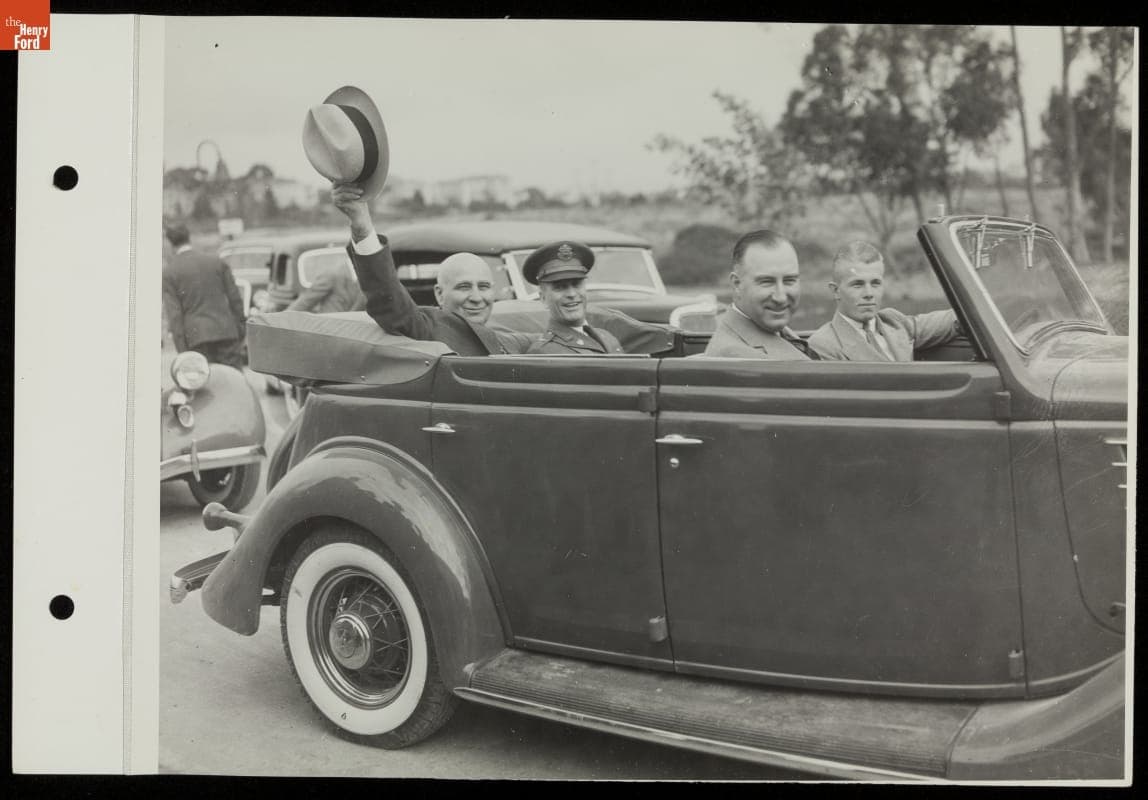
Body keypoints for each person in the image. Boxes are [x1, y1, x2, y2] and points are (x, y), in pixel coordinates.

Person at [332, 184, 535, 355]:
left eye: (483, 287)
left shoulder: (509, 338)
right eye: (463, 287)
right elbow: (390, 301)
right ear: (439, 293)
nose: (476, 297)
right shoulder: (429, 329)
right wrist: (362, 225)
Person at [807, 241, 962, 362]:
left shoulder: (893, 321)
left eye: (875, 283)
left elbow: (956, 318)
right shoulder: (824, 344)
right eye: (857, 284)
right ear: (835, 291)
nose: (869, 294)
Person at [703, 229, 819, 360]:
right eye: (766, 282)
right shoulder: (739, 356)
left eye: (789, 280)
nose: (780, 297)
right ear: (737, 284)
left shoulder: (777, 333)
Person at [162, 222, 248, 369]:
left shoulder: (170, 272)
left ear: (170, 244)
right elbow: (236, 301)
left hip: (196, 340)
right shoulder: (216, 262)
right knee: (233, 384)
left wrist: (183, 353)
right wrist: (239, 332)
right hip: (226, 334)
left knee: (203, 389)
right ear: (189, 238)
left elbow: (175, 317)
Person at [522, 241, 625, 355]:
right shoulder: (545, 352)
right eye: (560, 287)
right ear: (543, 298)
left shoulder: (607, 338)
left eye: (576, 284)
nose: (571, 294)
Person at [286, 258, 366, 314]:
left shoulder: (370, 279)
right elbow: (304, 303)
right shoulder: (332, 275)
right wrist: (279, 321)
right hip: (329, 330)